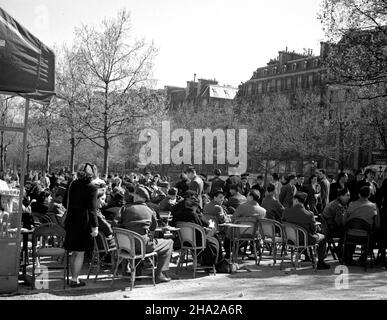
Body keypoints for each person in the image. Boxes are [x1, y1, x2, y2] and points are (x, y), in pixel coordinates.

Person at [119, 186, 173, 283]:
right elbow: (153, 228)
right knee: (169, 242)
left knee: (134, 239)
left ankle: (128, 272)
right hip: (142, 245)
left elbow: (115, 225)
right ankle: (160, 274)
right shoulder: (150, 210)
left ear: (136, 196)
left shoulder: (124, 209)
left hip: (125, 245)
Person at [63, 163, 99, 288]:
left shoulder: (72, 184)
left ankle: (73, 278)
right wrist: (95, 226)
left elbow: (64, 202)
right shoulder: (92, 188)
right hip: (84, 221)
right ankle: (74, 279)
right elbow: (93, 209)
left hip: (71, 219)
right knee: (80, 252)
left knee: (74, 251)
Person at [282, 191, 330, 270]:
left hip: (290, 240)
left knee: (307, 234)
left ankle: (307, 256)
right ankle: (320, 262)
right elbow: (313, 229)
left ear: (296, 200)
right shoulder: (309, 214)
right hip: (305, 240)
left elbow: (282, 222)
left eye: (293, 199)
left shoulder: (286, 211)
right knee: (323, 237)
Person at [171, 190, 220, 266]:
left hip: (182, 240)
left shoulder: (175, 209)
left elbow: (172, 223)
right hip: (198, 240)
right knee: (214, 237)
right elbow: (204, 223)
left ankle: (203, 260)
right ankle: (213, 263)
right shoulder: (193, 212)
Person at [343, 186, 379, 265]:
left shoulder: (351, 204)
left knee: (350, 229)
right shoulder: (373, 206)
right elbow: (377, 224)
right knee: (374, 235)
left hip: (350, 235)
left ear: (359, 195)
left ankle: (348, 257)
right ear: (369, 195)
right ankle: (363, 257)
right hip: (366, 237)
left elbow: (344, 220)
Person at [321, 187, 350, 259]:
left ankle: (339, 249)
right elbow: (339, 222)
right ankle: (340, 250)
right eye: (347, 195)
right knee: (349, 233)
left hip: (329, 227)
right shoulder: (337, 205)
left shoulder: (338, 203)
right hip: (330, 229)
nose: (349, 197)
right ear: (341, 196)